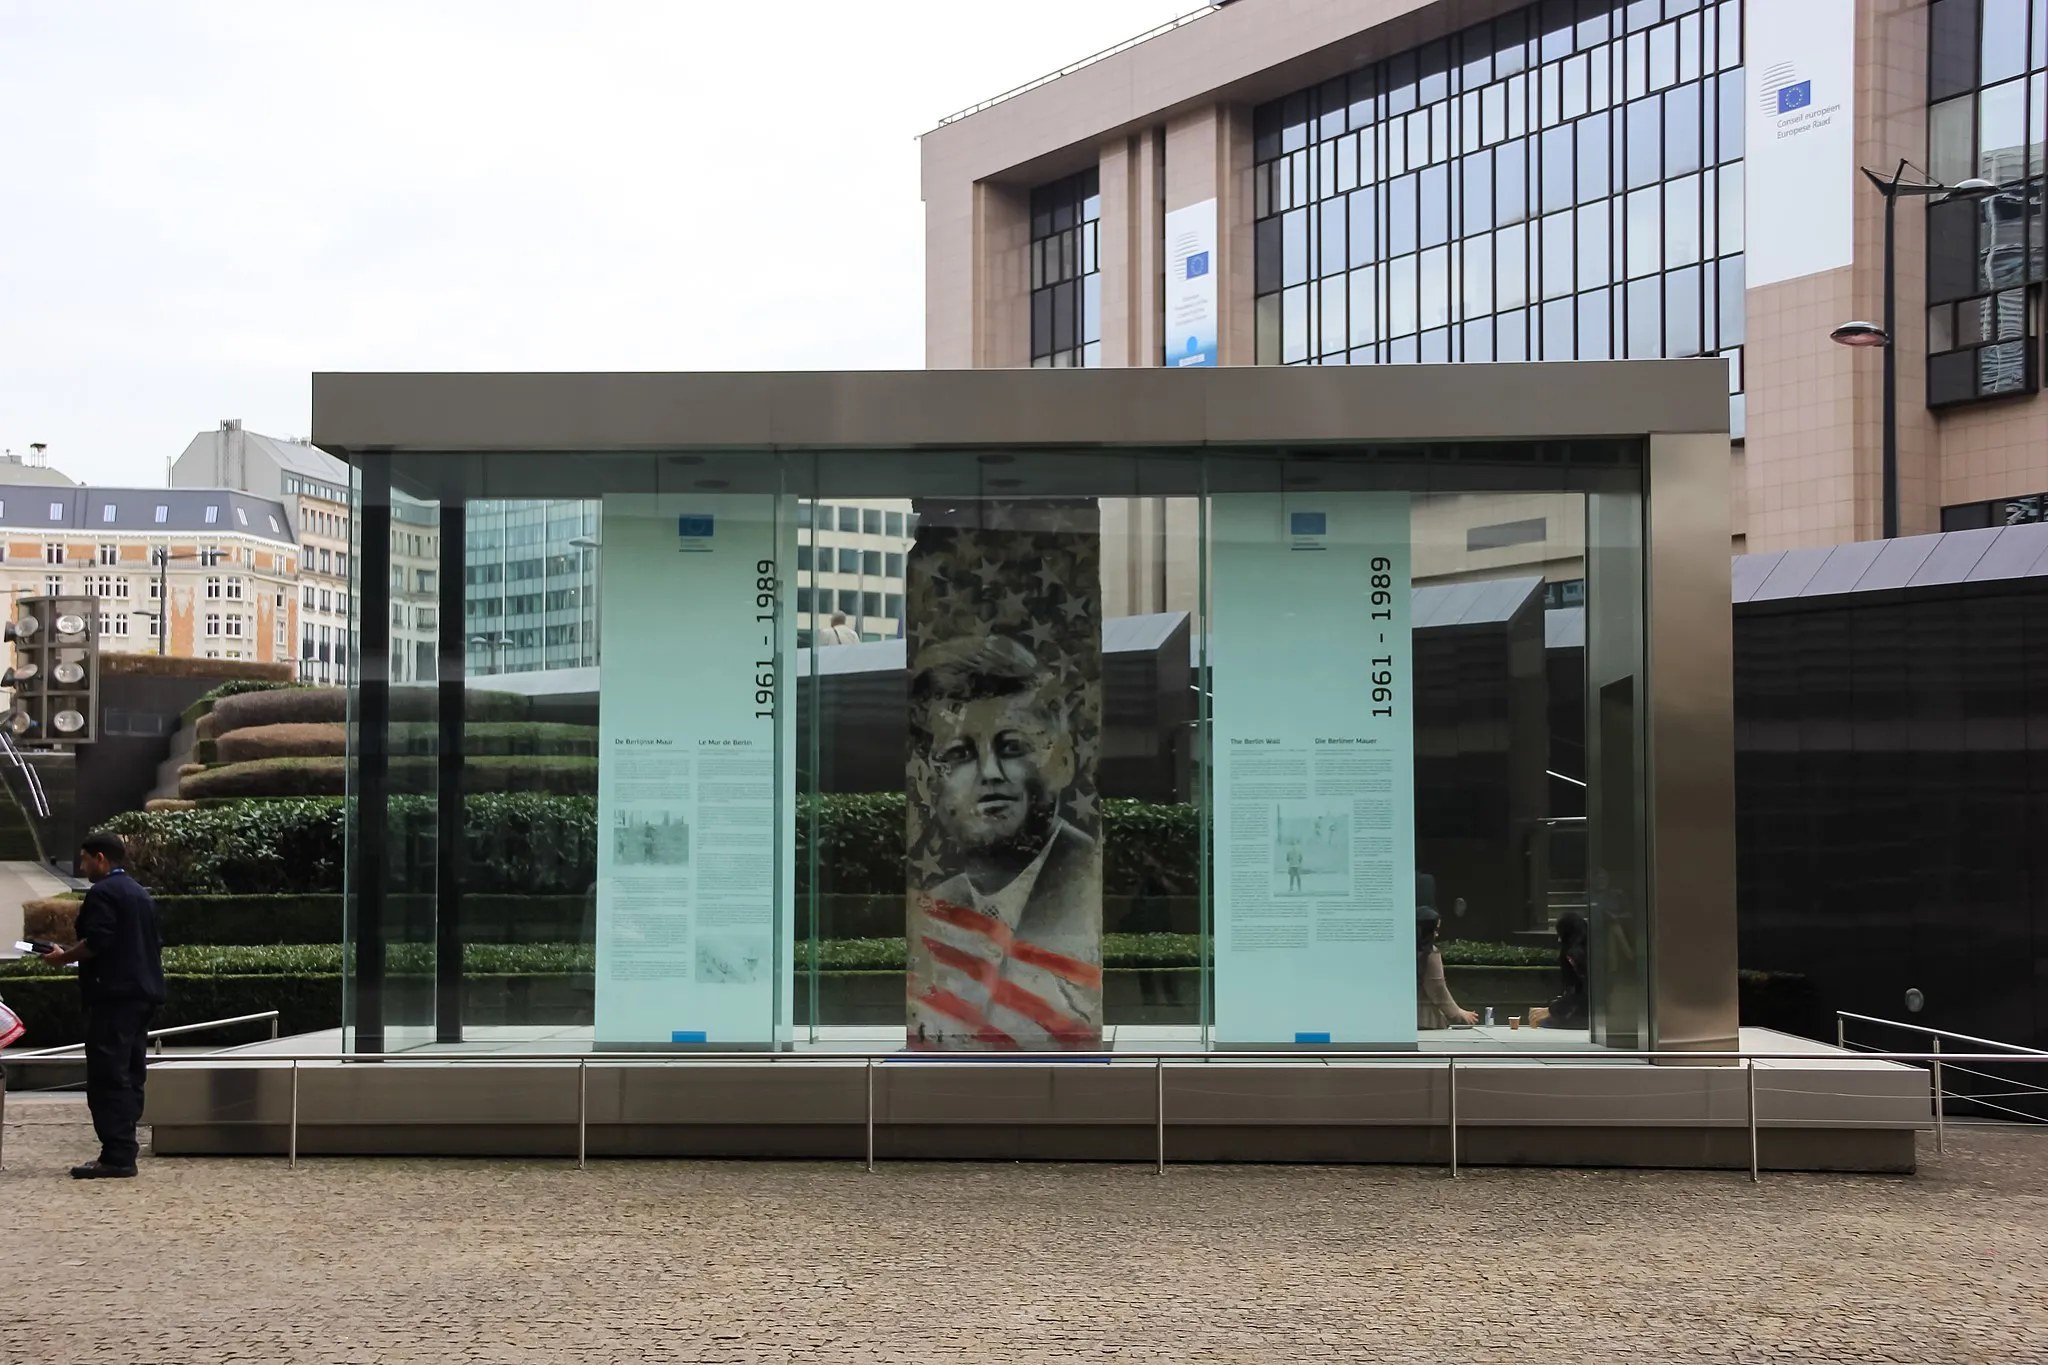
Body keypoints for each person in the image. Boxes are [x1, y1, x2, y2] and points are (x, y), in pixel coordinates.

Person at [907, 633, 1100, 1050]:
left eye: (1012, 747)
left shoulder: (1091, 887)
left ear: (1061, 760)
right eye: (959, 754)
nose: (990, 772)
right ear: (925, 783)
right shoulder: (938, 909)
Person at [39, 832, 165, 1178]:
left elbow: (98, 941)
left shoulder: (103, 893)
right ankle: (124, 1147)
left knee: (108, 1074)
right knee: (131, 1071)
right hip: (143, 994)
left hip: (113, 996)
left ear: (101, 859)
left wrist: (63, 958)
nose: (82, 867)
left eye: (84, 860)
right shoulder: (141, 894)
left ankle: (117, 1154)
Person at [1415, 907, 1477, 1029]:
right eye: (1435, 929)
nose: (1437, 934)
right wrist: (1457, 1012)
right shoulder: (1430, 954)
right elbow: (1437, 987)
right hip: (1426, 1018)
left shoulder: (1402, 952)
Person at [1533, 911, 1590, 1030]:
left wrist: (1553, 1010)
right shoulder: (1589, 948)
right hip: (1593, 1011)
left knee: (1545, 1023)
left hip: (1584, 1013)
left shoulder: (1573, 955)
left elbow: (1581, 991)